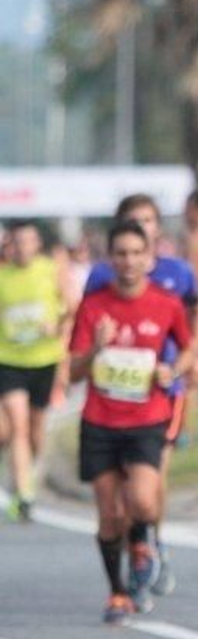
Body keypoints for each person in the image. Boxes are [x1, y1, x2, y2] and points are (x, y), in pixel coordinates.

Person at [69, 221, 197, 624]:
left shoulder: (166, 303)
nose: (128, 261)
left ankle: (143, 539)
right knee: (109, 515)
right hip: (101, 421)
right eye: (120, 254)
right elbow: (72, 371)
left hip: (147, 418)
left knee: (142, 499)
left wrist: (172, 371)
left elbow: (190, 350)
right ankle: (118, 592)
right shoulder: (93, 307)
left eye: (135, 254)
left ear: (149, 257)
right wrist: (96, 350)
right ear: (111, 259)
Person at [0, 221, 74, 521]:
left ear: (37, 244)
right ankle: (25, 493)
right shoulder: (3, 276)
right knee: (16, 425)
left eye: (28, 241)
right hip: (9, 359)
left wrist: (55, 324)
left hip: (44, 359)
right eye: (16, 242)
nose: (22, 248)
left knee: (35, 429)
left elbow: (71, 306)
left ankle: (28, 473)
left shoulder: (50, 269)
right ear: (9, 246)